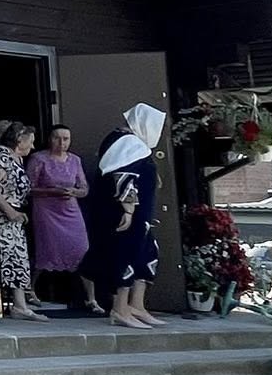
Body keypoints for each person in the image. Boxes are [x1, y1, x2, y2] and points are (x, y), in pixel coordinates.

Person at [95, 104, 167, 330]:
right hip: (129, 213)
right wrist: (128, 209)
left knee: (146, 253)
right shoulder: (128, 143)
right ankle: (120, 308)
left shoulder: (131, 143)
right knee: (127, 253)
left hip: (141, 213)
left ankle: (137, 305)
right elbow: (124, 177)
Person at [28, 126, 94, 312]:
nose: (61, 143)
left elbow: (84, 188)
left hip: (70, 209)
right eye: (57, 138)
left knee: (82, 249)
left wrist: (74, 192)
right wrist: (52, 191)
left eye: (66, 139)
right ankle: (30, 288)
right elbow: (28, 187)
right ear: (50, 139)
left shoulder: (75, 160)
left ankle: (91, 298)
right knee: (45, 249)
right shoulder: (39, 159)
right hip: (47, 210)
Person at [0, 122, 46, 319]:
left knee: (18, 260)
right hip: (3, 217)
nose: (33, 146)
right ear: (19, 140)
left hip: (14, 218)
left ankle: (19, 305)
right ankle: (12, 304)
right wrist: (10, 211)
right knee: (9, 259)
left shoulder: (16, 159)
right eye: (30, 141)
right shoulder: (2, 157)